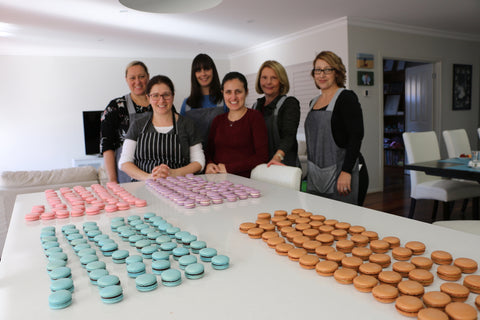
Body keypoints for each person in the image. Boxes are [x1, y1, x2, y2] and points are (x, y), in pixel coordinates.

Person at [305, 51, 369, 205]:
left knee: (344, 224)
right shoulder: (313, 102)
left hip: (344, 174)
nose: (322, 74)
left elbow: (356, 136)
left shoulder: (346, 98)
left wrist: (346, 172)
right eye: (318, 70)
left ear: (337, 72)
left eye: (327, 69)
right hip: (318, 175)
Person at [118, 75, 205, 181]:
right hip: (142, 185)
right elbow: (124, 162)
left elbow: (199, 161)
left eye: (166, 95)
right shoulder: (137, 125)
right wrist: (149, 177)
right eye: (155, 96)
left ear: (173, 96)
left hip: (179, 185)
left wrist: (174, 173)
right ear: (148, 98)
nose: (161, 100)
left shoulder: (187, 124)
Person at [205, 72, 268, 178]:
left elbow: (262, 156)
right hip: (217, 179)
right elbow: (209, 152)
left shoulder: (254, 117)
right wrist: (209, 164)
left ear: (246, 92)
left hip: (245, 181)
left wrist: (229, 168)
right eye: (228, 92)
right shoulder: (218, 120)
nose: (233, 97)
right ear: (223, 93)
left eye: (238, 92)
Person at [100, 61, 152, 183]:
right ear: (126, 80)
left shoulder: (160, 103)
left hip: (156, 173)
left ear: (148, 77)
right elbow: (107, 145)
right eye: (132, 78)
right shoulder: (115, 107)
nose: (137, 82)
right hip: (127, 176)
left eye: (141, 76)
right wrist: (112, 179)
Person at [253, 60, 300, 167]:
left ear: (281, 81)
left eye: (274, 78)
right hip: (261, 167)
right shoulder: (256, 106)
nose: (268, 82)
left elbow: (289, 136)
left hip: (282, 166)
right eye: (264, 77)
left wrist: (277, 157)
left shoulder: (290, 103)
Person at [180, 53, 227, 149]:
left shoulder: (225, 100)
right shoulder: (187, 104)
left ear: (213, 71)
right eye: (198, 70)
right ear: (194, 74)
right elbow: (182, 134)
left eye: (206, 69)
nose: (203, 74)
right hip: (195, 157)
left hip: (220, 154)